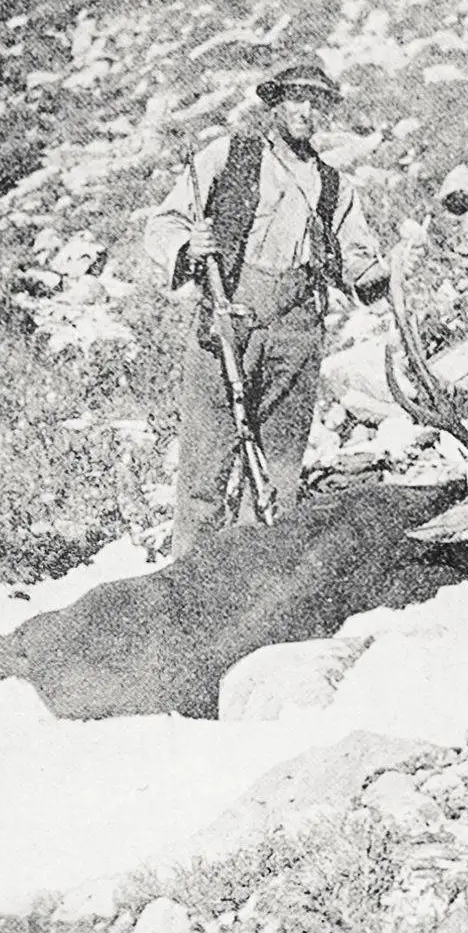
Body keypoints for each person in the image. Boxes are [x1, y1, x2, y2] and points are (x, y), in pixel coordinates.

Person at [145, 60, 389, 559]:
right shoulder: (229, 155)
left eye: (316, 102)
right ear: (275, 103)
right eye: (296, 99)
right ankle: (188, 585)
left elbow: (358, 261)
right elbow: (163, 225)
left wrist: (383, 278)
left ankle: (253, 580)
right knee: (205, 468)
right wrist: (189, 245)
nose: (305, 111)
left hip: (297, 334)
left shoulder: (335, 187)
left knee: (277, 470)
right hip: (227, 322)